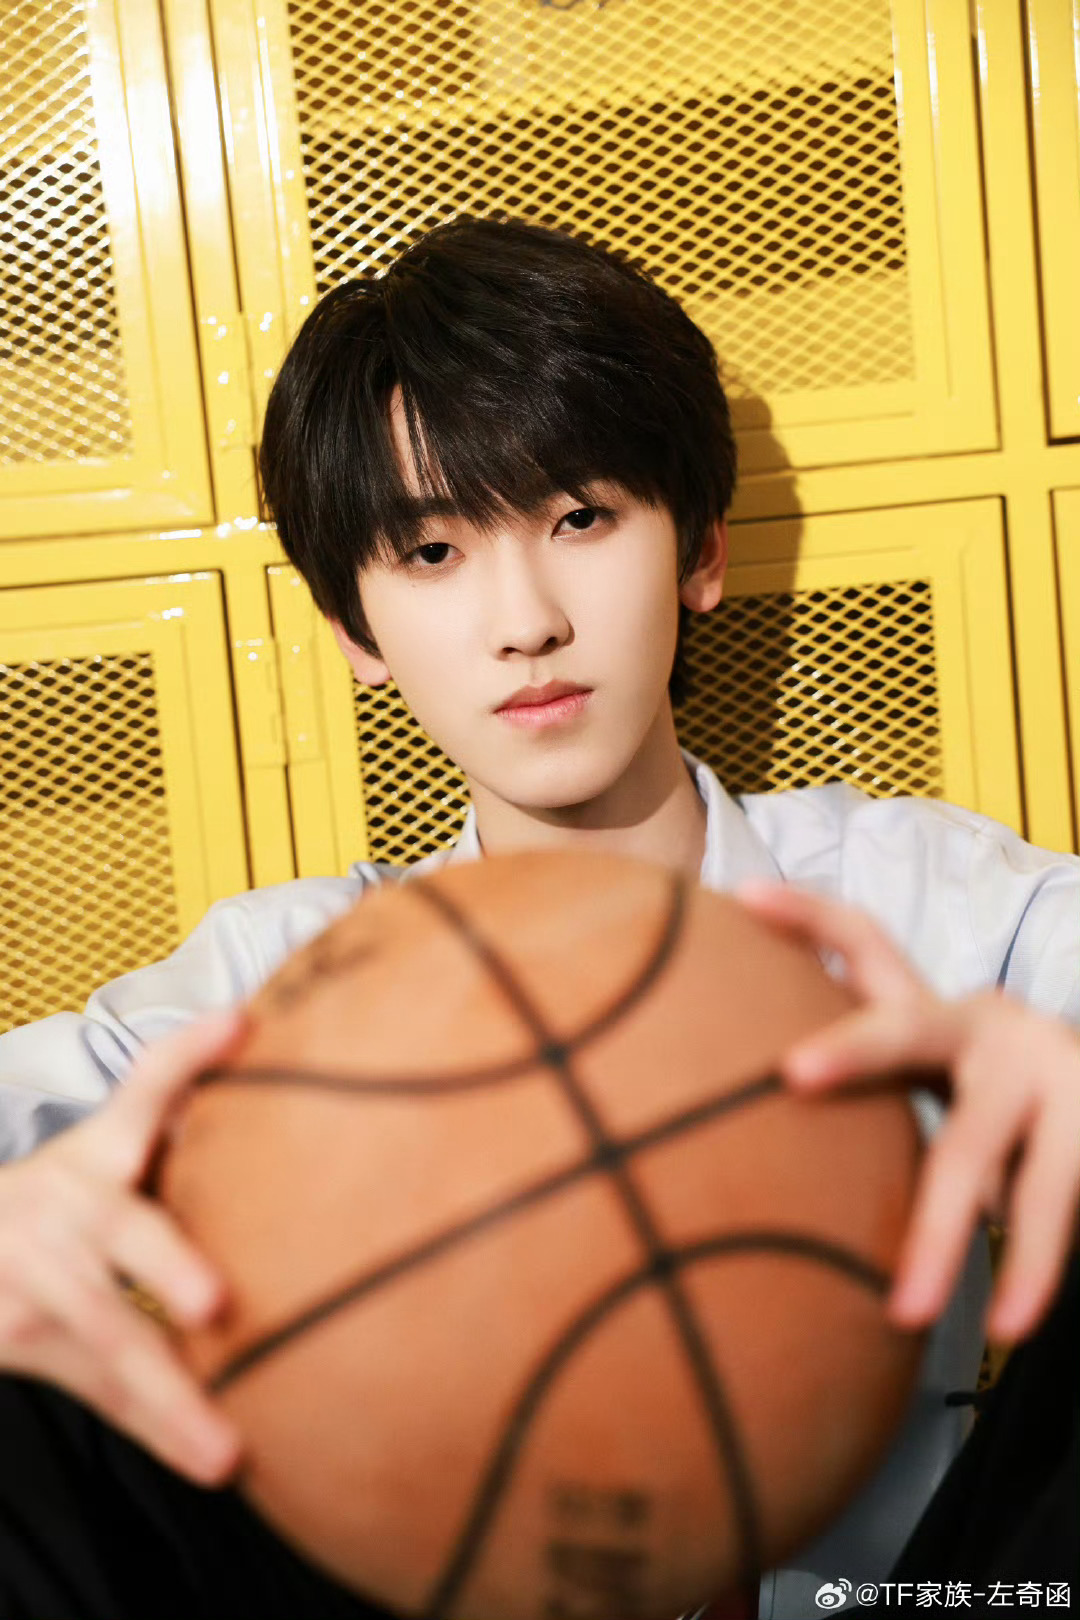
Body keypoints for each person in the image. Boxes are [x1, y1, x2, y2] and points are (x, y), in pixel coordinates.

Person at [0, 217, 1076, 1620]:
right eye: (432, 552)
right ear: (356, 633)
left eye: (580, 519)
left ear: (699, 552)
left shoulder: (944, 909)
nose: (525, 622)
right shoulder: (284, 980)